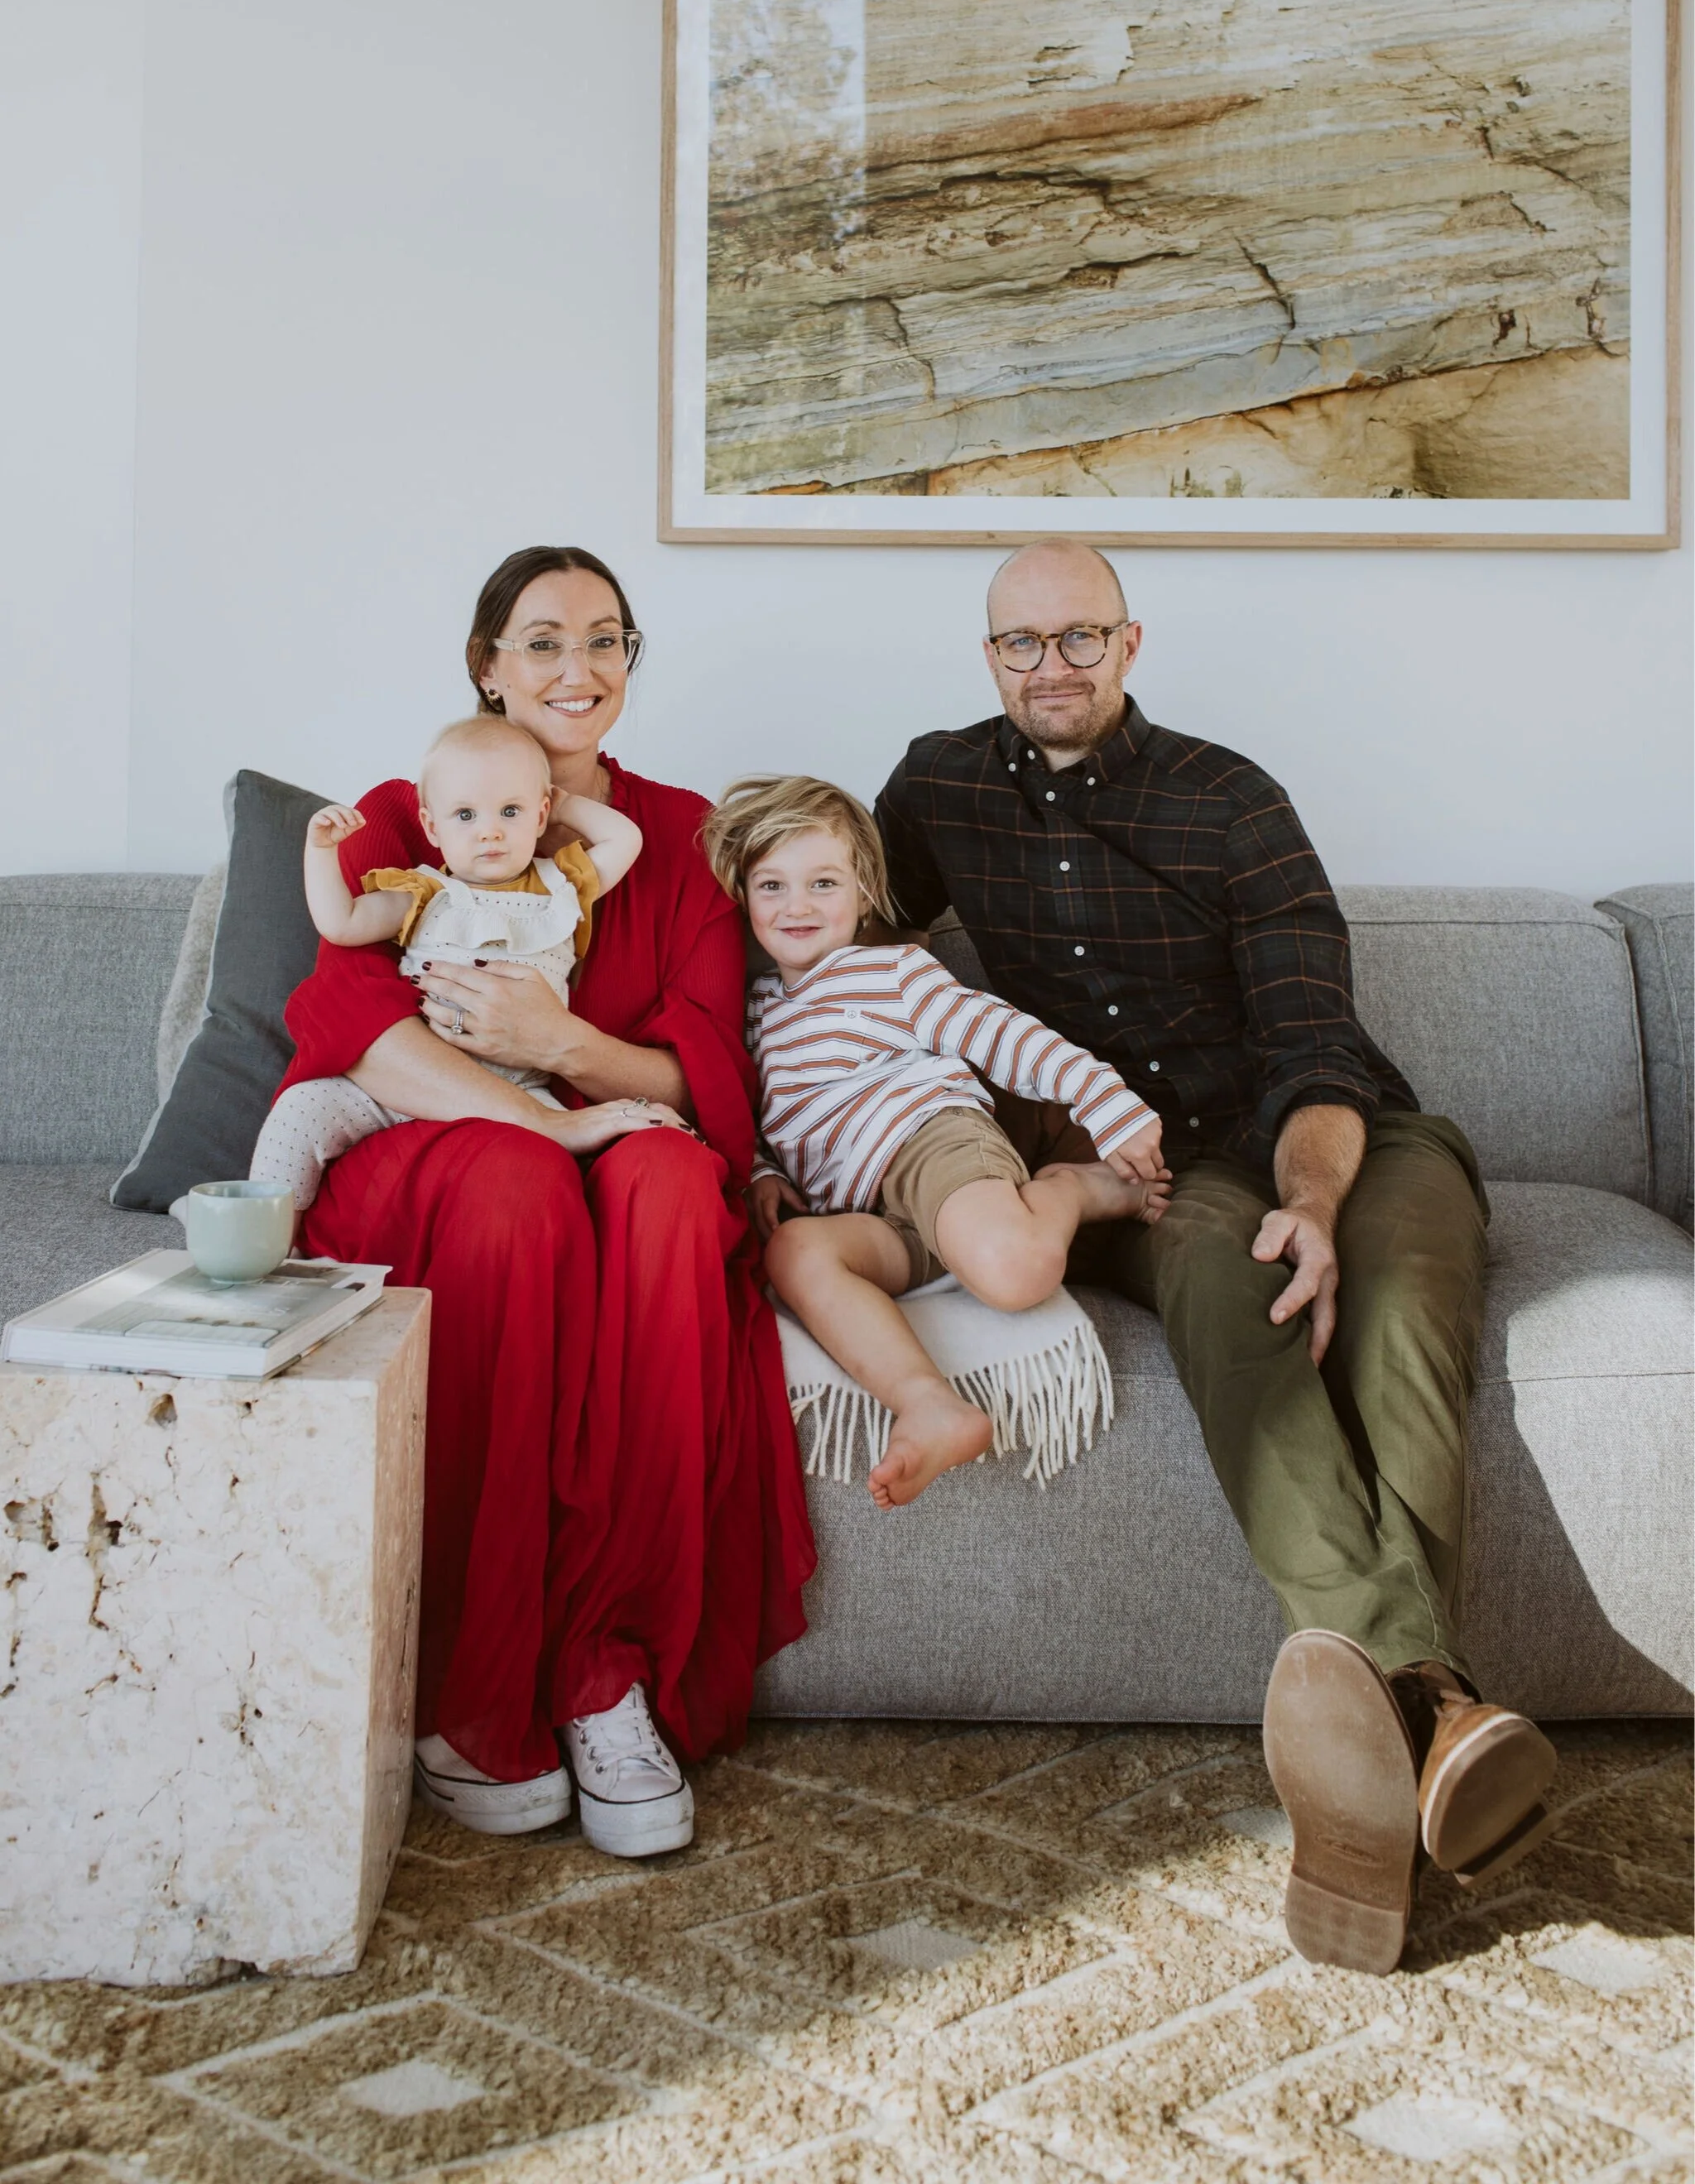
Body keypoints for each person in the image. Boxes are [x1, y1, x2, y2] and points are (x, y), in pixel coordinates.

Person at [874, 534, 1557, 1975]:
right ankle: (1433, 1709)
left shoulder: (1230, 797)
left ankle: (1385, 1746)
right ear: (986, 659)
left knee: (1392, 1311)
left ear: (1131, 644)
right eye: (1019, 643)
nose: (1050, 666)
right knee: (1223, 1290)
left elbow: (1314, 1036)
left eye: (1080, 636)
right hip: (1149, 1169)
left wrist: (1314, 1204)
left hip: (1342, 1135)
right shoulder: (935, 788)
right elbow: (822, 925)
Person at [276, 544, 814, 1858]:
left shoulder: (679, 835)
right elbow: (350, 1021)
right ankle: (474, 1690)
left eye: (606, 639)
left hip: (612, 1129)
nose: (579, 667)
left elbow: (703, 1074)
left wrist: (563, 1047)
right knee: (520, 1189)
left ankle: (601, 1672)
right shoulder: (411, 809)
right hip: (436, 1148)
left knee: (673, 1192)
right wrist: (540, 1114)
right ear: (488, 664)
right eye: (543, 640)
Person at [702, 775, 1169, 1508]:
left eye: (823, 883)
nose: (797, 906)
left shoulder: (893, 972)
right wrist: (763, 1171)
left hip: (931, 1146)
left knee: (1015, 1275)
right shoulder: (754, 1011)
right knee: (794, 1253)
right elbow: (750, 1113)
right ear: (744, 898)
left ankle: (1072, 1188)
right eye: (772, 886)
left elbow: (1001, 1034)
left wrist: (1104, 1100)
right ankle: (928, 1405)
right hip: (865, 1212)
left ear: (864, 894)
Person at [255, 713, 652, 1211]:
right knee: (299, 1110)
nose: (490, 832)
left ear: (540, 815)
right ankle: (269, 1244)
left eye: (510, 811)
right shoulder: (424, 892)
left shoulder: (562, 886)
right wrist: (320, 852)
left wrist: (565, 803)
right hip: (408, 1082)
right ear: (432, 827)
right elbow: (342, 924)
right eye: (465, 815)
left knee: (560, 1171)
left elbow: (626, 840)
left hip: (519, 1096)